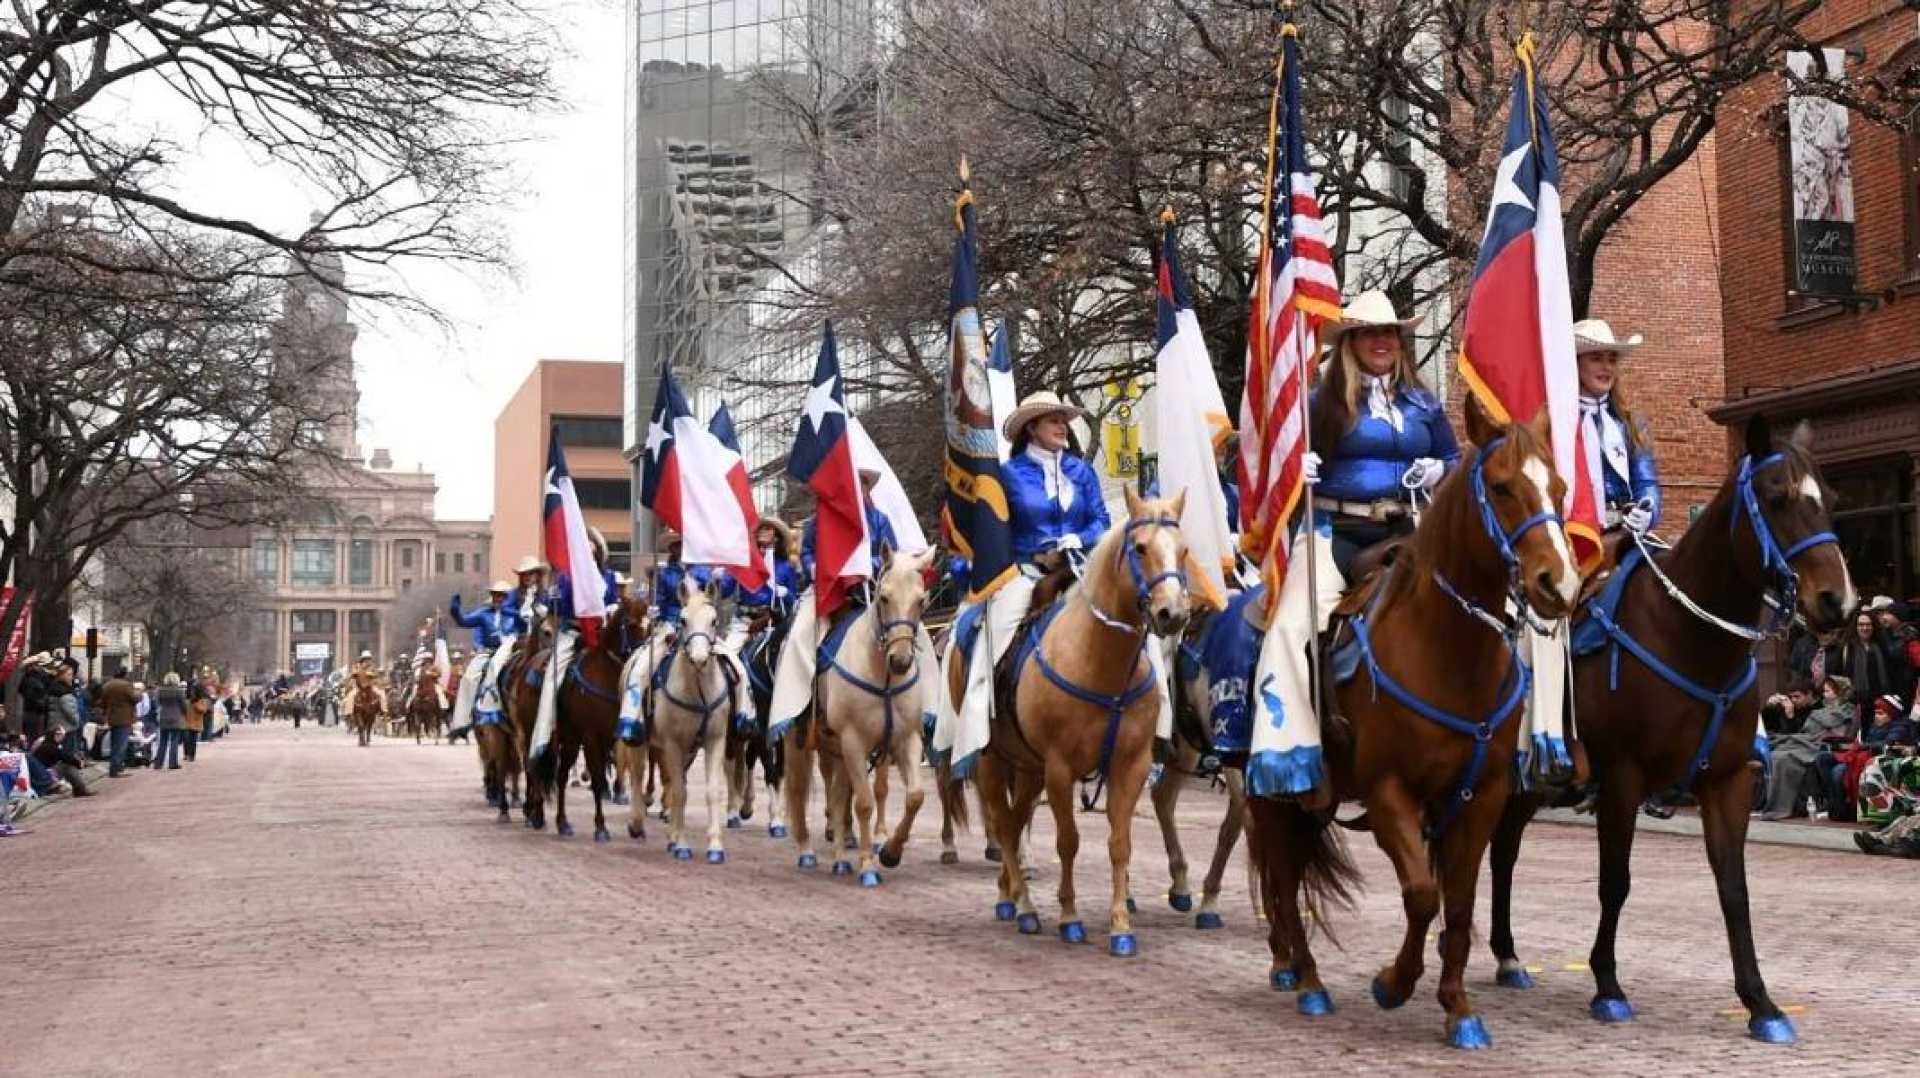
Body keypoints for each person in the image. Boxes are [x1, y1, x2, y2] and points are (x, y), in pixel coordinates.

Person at [939, 392, 1119, 762]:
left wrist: (1081, 538)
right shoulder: (1008, 475)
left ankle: (1156, 725)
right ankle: (977, 724)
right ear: (1032, 427)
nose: (1061, 426)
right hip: (1027, 572)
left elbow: (1102, 520)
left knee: (1133, 626)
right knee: (996, 635)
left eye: (1063, 420)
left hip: (1081, 568)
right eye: (1053, 420)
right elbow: (991, 529)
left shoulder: (1081, 471)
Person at [1305, 291, 1458, 580]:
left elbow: (1454, 458)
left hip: (1412, 530)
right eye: (1369, 333)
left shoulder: (1424, 403)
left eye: (1388, 332)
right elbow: (1279, 461)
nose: (1381, 341)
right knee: (1297, 619)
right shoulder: (1320, 403)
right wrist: (1294, 468)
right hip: (1336, 532)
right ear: (1350, 343)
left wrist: (1441, 469)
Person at [534, 529, 620, 754]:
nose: (589, 555)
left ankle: (632, 725)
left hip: (601, 635)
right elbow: (557, 606)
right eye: (584, 551)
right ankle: (546, 730)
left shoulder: (608, 577)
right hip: (572, 633)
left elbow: (612, 601)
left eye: (592, 551)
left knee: (630, 669)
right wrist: (552, 599)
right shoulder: (566, 577)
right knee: (553, 675)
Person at [1573, 319, 1661, 535]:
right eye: (1596, 358)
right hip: (1575, 534)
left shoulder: (1630, 423)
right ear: (1575, 363)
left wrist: (1648, 513)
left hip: (1626, 533)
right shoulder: (1559, 424)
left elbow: (1646, 480)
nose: (1606, 367)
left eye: (1612, 360)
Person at [1760, 676, 1854, 819]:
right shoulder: (1818, 711)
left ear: (1840, 692)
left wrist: (1792, 720)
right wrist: (1773, 710)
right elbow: (1802, 732)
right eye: (1824, 691)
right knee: (1775, 754)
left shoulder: (1846, 711)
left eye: (1828, 691)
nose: (1824, 695)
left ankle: (1782, 806)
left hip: (1819, 745)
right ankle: (1774, 804)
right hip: (1806, 741)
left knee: (1783, 758)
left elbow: (1837, 733)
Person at [449, 581, 525, 731]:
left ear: (507, 597)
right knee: (468, 678)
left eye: (502, 596)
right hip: (488, 652)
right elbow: (464, 621)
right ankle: (462, 722)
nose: (499, 599)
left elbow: (525, 628)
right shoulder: (483, 614)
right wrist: (455, 611)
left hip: (512, 651)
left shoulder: (515, 614)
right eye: (496, 595)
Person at [97, 673, 140, 777]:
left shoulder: (107, 686)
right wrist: (140, 695)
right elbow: (135, 699)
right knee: (121, 744)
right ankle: (116, 769)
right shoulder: (126, 685)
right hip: (124, 717)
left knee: (114, 743)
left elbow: (102, 702)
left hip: (112, 717)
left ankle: (115, 767)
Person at [152, 673, 188, 770]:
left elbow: (157, 702)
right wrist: (184, 713)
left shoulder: (160, 690)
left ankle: (158, 763)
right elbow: (183, 705)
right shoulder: (179, 691)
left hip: (163, 716)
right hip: (176, 717)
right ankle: (172, 763)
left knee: (162, 741)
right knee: (174, 741)